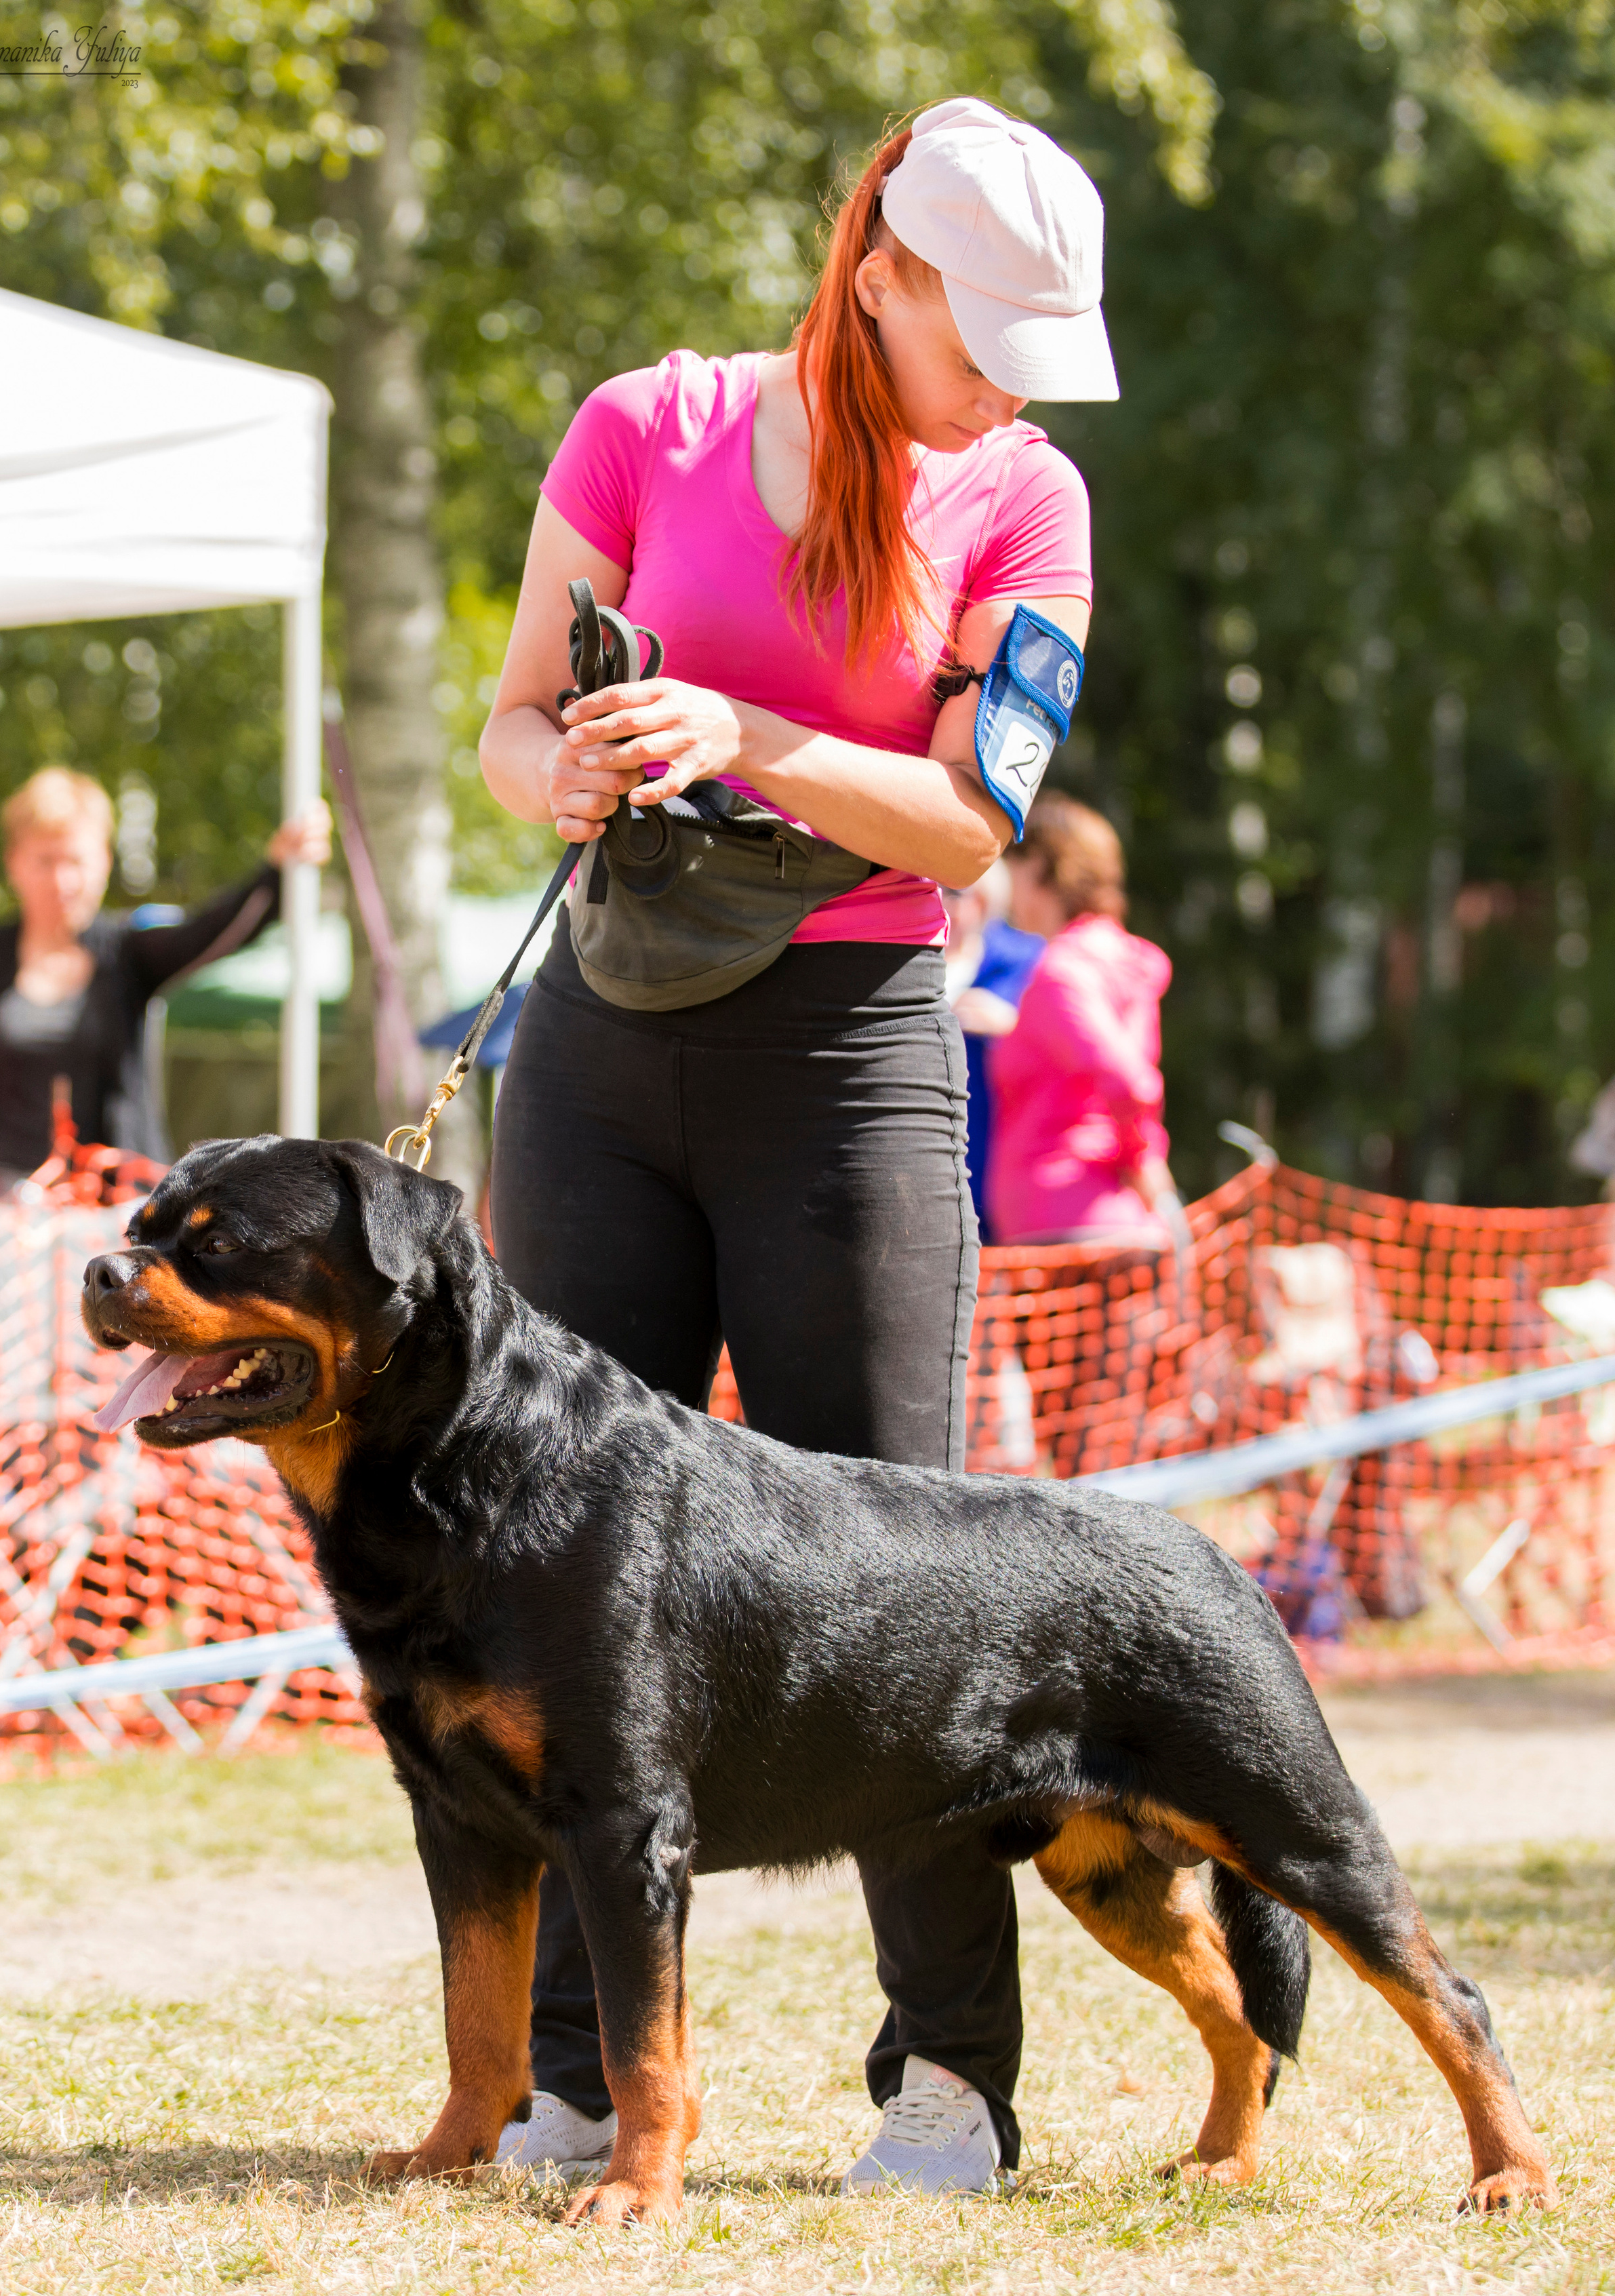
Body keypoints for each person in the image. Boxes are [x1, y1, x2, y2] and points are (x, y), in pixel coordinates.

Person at [477, 97, 1111, 2195]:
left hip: (852, 1052)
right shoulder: (640, 425)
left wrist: (744, 735)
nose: (1007, 375)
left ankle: (946, 2080)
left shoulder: (1026, 496)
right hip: (594, 1043)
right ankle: (575, 2082)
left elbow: (962, 820)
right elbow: (501, 731)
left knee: (897, 1575)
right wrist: (566, 760)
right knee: (554, 1567)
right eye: (983, 327)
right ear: (882, 274)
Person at [0, 766, 330, 1227]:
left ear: (103, 863)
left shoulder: (125, 957)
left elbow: (212, 932)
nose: (62, 881)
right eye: (45, 860)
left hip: (105, 1206)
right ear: (14, 862)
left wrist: (276, 872)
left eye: (75, 861)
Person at [980, 795, 1178, 1247]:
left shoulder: (1062, 971)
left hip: (1067, 1229)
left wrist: (1144, 1161)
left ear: (1041, 870)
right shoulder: (1120, 961)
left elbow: (1129, 1081)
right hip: (1105, 1222)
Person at [945, 865, 1043, 1238]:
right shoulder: (906, 960)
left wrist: (1010, 1025)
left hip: (1003, 1162)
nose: (939, 900)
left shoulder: (1026, 960)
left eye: (951, 890)